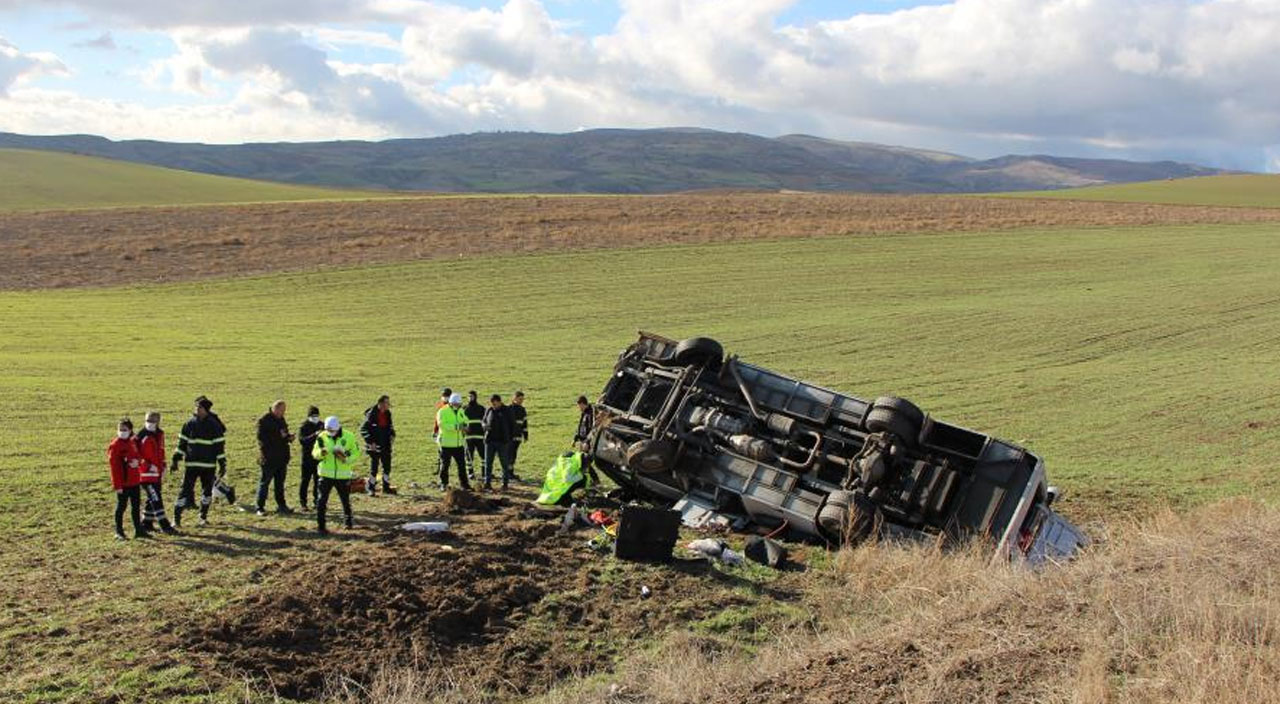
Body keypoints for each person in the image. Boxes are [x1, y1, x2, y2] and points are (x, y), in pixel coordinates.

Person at [172, 395, 227, 527]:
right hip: (191, 465)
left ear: (206, 409)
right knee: (184, 491)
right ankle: (176, 518)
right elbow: (182, 443)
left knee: (206, 492)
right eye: (196, 407)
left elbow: (219, 446)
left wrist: (222, 464)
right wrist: (176, 459)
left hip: (208, 466)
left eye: (199, 407)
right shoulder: (189, 424)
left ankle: (203, 517)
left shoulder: (214, 425)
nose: (197, 409)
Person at [313, 416, 361, 535]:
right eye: (329, 431)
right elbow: (314, 452)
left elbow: (356, 452)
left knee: (345, 500)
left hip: (342, 475)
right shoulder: (322, 436)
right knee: (321, 501)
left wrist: (347, 459)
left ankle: (348, 522)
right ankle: (321, 526)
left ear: (338, 428)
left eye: (333, 431)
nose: (331, 434)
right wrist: (321, 453)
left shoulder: (349, 436)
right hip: (325, 474)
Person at [135, 410, 177, 534]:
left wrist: (163, 465)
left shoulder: (160, 434)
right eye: (148, 420)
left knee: (152, 498)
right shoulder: (141, 436)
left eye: (152, 421)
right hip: (145, 475)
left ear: (158, 422)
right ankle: (165, 525)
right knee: (156, 499)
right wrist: (147, 465)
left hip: (156, 473)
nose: (150, 423)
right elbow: (136, 455)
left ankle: (147, 522)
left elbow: (161, 450)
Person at [108, 417, 145, 540]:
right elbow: (114, 467)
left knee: (136, 506)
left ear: (130, 430)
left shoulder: (132, 442)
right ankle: (119, 531)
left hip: (134, 481)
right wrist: (117, 485)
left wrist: (138, 462)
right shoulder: (115, 446)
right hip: (123, 483)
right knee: (121, 507)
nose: (122, 431)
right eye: (120, 429)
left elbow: (139, 456)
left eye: (124, 429)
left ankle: (138, 530)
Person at [255, 399, 294, 516]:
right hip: (268, 458)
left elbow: (284, 434)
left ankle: (281, 505)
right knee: (264, 483)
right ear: (274, 408)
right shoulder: (264, 421)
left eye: (284, 411)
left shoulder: (281, 419)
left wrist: (288, 437)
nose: (283, 413)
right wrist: (279, 436)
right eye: (281, 410)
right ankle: (260, 507)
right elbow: (262, 440)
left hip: (282, 457)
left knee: (280, 484)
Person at [360, 394, 396, 495]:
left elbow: (390, 427)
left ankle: (386, 486)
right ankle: (371, 487)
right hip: (374, 446)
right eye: (386, 403)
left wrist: (392, 435)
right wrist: (371, 442)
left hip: (386, 444)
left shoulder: (388, 414)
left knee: (387, 466)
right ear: (380, 404)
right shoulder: (371, 415)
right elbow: (363, 429)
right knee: (374, 468)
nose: (388, 406)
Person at [435, 393, 472, 491]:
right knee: (445, 465)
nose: (457, 406)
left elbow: (465, 420)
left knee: (461, 465)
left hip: (459, 443)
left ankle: (464, 484)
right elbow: (442, 425)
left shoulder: (461, 411)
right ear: (451, 403)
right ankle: (444, 484)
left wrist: (465, 426)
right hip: (446, 444)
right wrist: (457, 427)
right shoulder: (442, 411)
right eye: (455, 404)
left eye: (458, 404)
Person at [482, 393, 516, 491]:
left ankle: (505, 483)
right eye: (492, 404)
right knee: (488, 463)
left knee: (504, 463)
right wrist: (484, 426)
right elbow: (483, 421)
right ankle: (487, 483)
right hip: (490, 441)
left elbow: (512, 425)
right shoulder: (489, 410)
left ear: (500, 402)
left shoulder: (507, 411)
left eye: (495, 403)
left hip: (503, 442)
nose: (494, 405)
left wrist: (509, 439)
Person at [297, 406, 323, 510]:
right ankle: (303, 502)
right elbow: (302, 441)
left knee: (318, 481)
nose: (315, 418)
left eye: (317, 416)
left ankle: (317, 501)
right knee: (305, 481)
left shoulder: (322, 425)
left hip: (319, 458)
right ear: (309, 416)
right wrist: (315, 435)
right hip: (307, 458)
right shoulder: (304, 426)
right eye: (313, 416)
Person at [573, 395, 601, 485]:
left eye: (579, 405)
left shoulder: (590, 414)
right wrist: (575, 439)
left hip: (587, 443)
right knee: (583, 462)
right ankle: (592, 481)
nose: (578, 408)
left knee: (585, 462)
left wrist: (587, 442)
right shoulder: (584, 413)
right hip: (582, 441)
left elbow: (591, 430)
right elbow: (580, 427)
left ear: (582, 404)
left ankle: (594, 481)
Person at [463, 390, 485, 480]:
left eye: (472, 396)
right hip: (468, 437)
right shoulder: (464, 409)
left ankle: (484, 472)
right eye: (469, 396)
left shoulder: (481, 408)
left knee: (483, 455)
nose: (470, 398)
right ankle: (470, 473)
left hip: (480, 436)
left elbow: (485, 421)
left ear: (476, 397)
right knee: (469, 456)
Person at [509, 390, 529, 478]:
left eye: (522, 399)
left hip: (518, 437)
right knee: (508, 455)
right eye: (520, 399)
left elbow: (524, 424)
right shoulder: (508, 409)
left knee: (513, 455)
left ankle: (510, 472)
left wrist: (525, 435)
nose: (521, 401)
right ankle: (507, 473)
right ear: (514, 398)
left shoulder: (522, 410)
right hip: (509, 437)